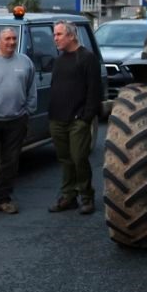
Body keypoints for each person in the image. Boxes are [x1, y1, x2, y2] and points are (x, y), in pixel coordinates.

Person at [48, 21, 102, 215]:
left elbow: (94, 91)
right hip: (57, 119)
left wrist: (86, 117)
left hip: (78, 120)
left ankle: (86, 197)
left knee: (79, 158)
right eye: (55, 35)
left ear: (71, 36)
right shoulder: (59, 60)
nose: (55, 38)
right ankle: (68, 196)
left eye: (59, 34)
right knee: (65, 160)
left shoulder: (87, 58)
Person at [0, 28, 37, 214]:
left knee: (10, 162)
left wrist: (28, 111)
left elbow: (32, 88)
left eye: (14, 38)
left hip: (16, 120)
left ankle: (3, 199)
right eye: (7, 39)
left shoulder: (25, 62)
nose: (11, 42)